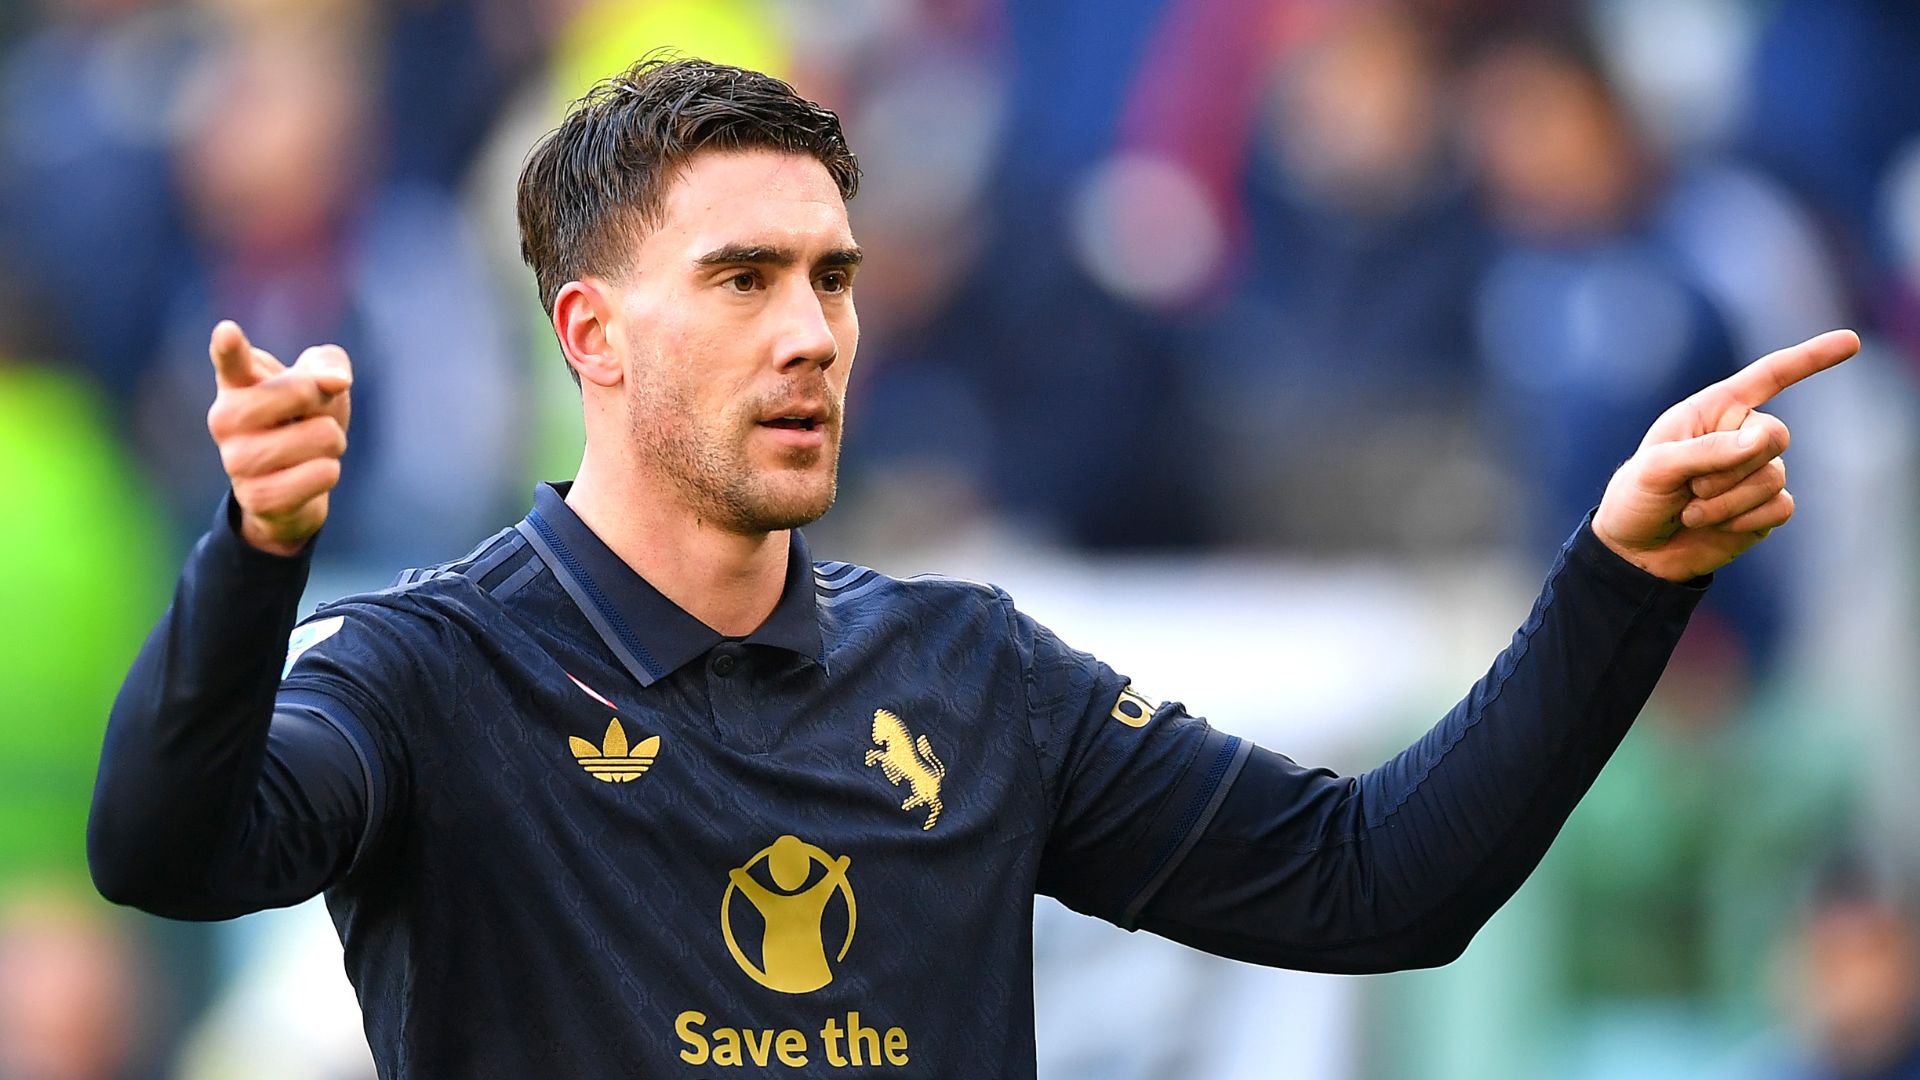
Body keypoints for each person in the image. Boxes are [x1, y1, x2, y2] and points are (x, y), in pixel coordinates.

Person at [86, 57, 1855, 1078]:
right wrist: (255, 555)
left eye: (835, 279)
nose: (813, 336)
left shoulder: (971, 673)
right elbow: (167, 854)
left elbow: (1376, 886)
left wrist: (1623, 580)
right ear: (591, 334)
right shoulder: (425, 674)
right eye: (742, 279)